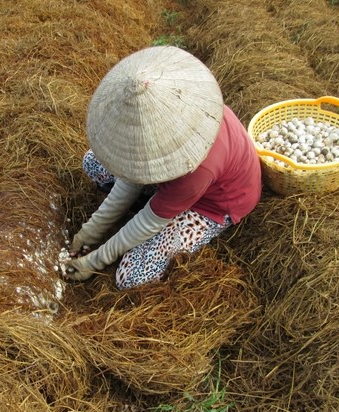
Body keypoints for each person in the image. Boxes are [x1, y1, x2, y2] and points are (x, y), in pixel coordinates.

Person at [64, 45, 262, 289]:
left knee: (131, 276)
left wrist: (95, 260)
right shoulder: (172, 105)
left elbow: (148, 221)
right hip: (180, 182)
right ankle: (157, 205)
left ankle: (173, 214)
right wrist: (90, 232)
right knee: (94, 162)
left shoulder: (197, 168)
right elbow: (131, 176)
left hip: (212, 203)